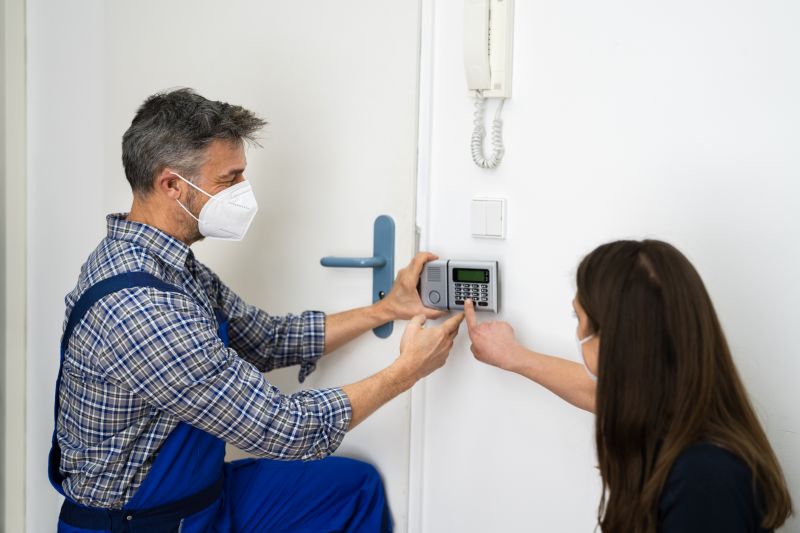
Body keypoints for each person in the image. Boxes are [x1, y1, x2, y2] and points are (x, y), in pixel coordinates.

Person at [49, 88, 464, 533]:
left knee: (352, 488)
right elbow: (286, 429)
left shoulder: (168, 266)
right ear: (171, 185)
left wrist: (387, 309)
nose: (243, 195)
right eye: (229, 181)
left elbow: (269, 339)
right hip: (142, 523)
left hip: (201, 498)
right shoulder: (142, 310)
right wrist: (408, 370)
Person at [465, 239, 793, 533]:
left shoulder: (704, 479)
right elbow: (607, 395)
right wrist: (513, 357)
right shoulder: (676, 414)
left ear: (618, 341)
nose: (579, 336)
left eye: (578, 321)